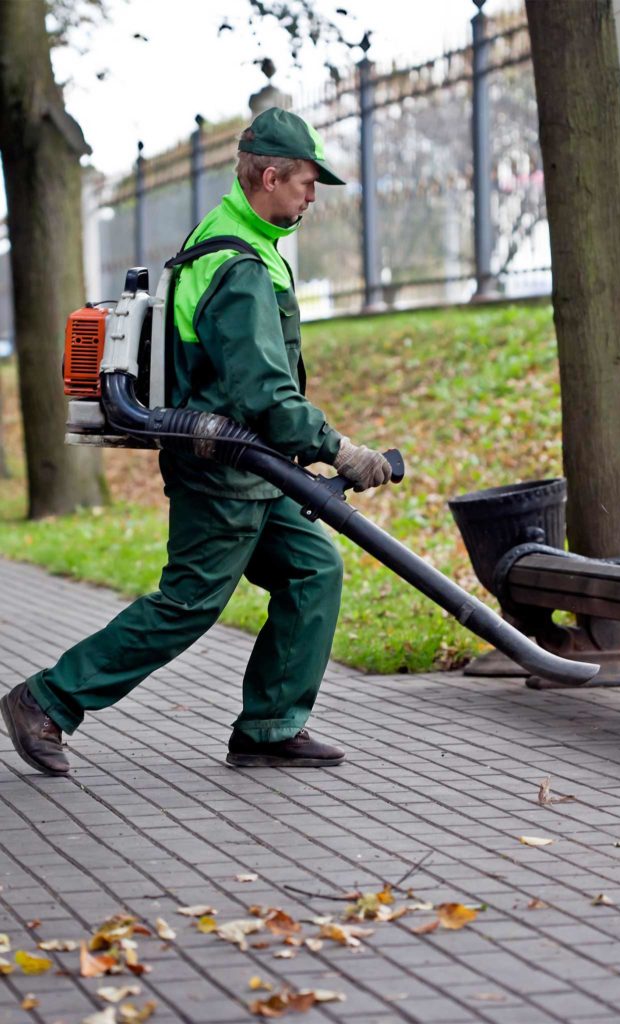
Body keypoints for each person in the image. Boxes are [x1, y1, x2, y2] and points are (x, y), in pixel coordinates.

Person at [1, 107, 392, 777]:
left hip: (253, 468)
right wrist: (339, 448)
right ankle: (46, 700)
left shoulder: (234, 239)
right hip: (223, 473)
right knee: (187, 603)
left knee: (312, 572)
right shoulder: (237, 265)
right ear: (269, 176)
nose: (311, 197)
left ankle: (269, 728)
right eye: (305, 183)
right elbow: (263, 393)